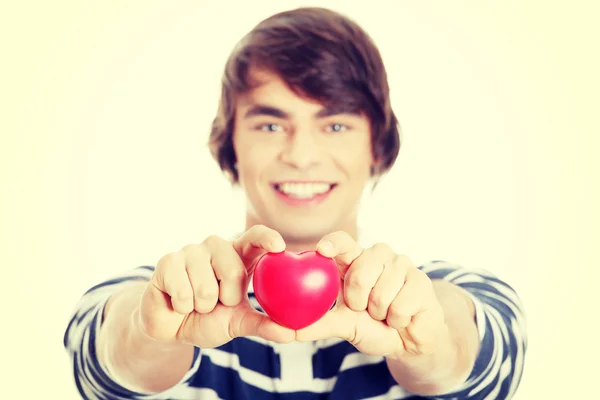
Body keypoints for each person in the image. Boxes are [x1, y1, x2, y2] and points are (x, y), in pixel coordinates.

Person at [64, 6, 527, 400]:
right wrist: (151, 334)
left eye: (335, 126)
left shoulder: (449, 291)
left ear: (378, 147)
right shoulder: (163, 293)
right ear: (230, 147)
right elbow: (108, 357)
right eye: (270, 125)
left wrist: (430, 343)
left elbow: (469, 353)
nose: (301, 156)